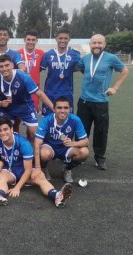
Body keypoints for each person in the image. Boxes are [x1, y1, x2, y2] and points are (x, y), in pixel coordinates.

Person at [0, 118, 73, 208]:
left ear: (12, 129)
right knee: (1, 176)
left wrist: (17, 187)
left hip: (24, 171)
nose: (2, 133)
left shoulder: (23, 143)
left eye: (5, 129)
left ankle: (57, 196)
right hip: (10, 170)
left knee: (40, 176)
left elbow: (27, 170)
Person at [76, 34, 129, 170]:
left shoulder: (111, 58)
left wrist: (115, 87)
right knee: (82, 130)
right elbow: (82, 69)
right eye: (94, 43)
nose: (97, 45)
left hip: (101, 101)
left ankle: (99, 158)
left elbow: (124, 70)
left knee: (101, 131)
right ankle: (80, 154)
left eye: (99, 43)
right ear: (90, 45)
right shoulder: (86, 58)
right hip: (84, 101)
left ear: (104, 44)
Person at [0, 54, 53, 144]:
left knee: (34, 133)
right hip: (8, 110)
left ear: (12, 65)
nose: (4, 69)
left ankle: (34, 154)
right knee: (0, 132)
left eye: (7, 65)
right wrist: (0, 103)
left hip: (25, 107)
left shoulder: (24, 77)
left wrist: (53, 108)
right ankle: (7, 153)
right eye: (1, 66)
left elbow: (39, 94)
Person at [34, 97, 89, 182]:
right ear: (54, 109)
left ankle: (67, 169)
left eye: (65, 108)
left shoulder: (75, 120)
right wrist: (37, 167)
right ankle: (44, 168)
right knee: (44, 154)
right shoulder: (47, 120)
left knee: (84, 152)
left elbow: (85, 141)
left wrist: (73, 143)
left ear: (70, 109)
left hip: (65, 148)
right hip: (49, 147)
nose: (62, 111)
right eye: (59, 108)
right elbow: (37, 143)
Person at [40, 27, 80, 116]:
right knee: (48, 120)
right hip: (50, 94)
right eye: (60, 38)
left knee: (66, 120)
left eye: (65, 38)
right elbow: (38, 69)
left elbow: (81, 69)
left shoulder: (75, 54)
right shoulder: (48, 54)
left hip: (66, 94)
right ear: (56, 39)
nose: (63, 40)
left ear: (69, 39)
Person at [18, 30, 44, 113]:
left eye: (33, 40)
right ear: (24, 40)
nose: (31, 42)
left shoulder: (41, 53)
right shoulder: (18, 53)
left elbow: (41, 68)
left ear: (36, 41)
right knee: (18, 117)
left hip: (34, 90)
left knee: (33, 117)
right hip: (20, 90)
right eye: (28, 39)